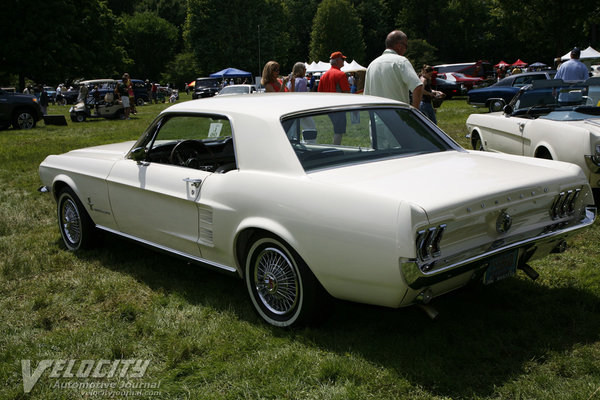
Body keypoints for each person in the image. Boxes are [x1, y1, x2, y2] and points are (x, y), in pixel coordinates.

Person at [363, 30, 423, 109]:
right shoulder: (401, 62)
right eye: (406, 46)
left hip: (377, 117)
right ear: (399, 46)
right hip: (397, 116)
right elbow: (417, 86)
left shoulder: (371, 65)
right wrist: (415, 111)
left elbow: (366, 98)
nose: (406, 50)